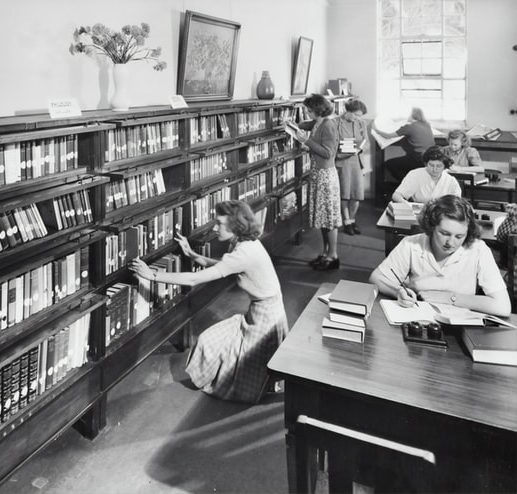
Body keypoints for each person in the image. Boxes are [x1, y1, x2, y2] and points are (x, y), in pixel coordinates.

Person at [128, 200, 289, 404]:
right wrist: (193, 255)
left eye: (219, 223)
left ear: (236, 226)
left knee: (249, 369)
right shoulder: (244, 243)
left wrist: (152, 276)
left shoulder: (244, 252)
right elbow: (224, 266)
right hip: (263, 310)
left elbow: (195, 279)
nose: (215, 228)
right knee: (216, 344)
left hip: (266, 318)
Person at [369, 195, 511, 317]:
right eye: (444, 233)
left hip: (460, 325)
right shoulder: (412, 244)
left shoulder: (478, 249)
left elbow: (503, 307)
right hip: (416, 318)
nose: (451, 242)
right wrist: (398, 291)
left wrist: (450, 298)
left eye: (459, 236)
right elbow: (376, 278)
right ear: (431, 226)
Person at [292, 93, 342, 270]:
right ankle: (326, 252)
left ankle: (333, 255)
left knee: (328, 218)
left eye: (309, 109)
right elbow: (305, 125)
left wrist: (307, 141)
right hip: (318, 174)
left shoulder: (328, 125)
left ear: (318, 110)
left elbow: (328, 152)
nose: (307, 112)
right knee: (322, 217)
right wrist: (291, 125)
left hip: (325, 176)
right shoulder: (319, 122)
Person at [373, 107, 435, 182]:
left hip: (418, 159)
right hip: (429, 158)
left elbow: (387, 136)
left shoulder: (410, 127)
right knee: (406, 159)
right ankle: (409, 184)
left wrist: (376, 130)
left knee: (389, 164)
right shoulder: (426, 125)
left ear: (412, 115)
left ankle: (407, 184)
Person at [336, 99, 368, 235]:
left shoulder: (361, 123)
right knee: (345, 194)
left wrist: (360, 149)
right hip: (343, 161)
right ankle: (347, 221)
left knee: (356, 194)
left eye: (360, 115)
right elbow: (334, 143)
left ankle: (353, 220)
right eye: (355, 115)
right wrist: (343, 151)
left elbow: (366, 141)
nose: (357, 118)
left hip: (357, 160)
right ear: (347, 111)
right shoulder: (336, 123)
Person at [391, 146, 461, 204]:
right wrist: (405, 203)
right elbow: (396, 195)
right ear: (426, 163)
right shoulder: (415, 174)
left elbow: (457, 203)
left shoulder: (451, 181)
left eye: (439, 166)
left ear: (444, 166)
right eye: (431, 165)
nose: (434, 169)